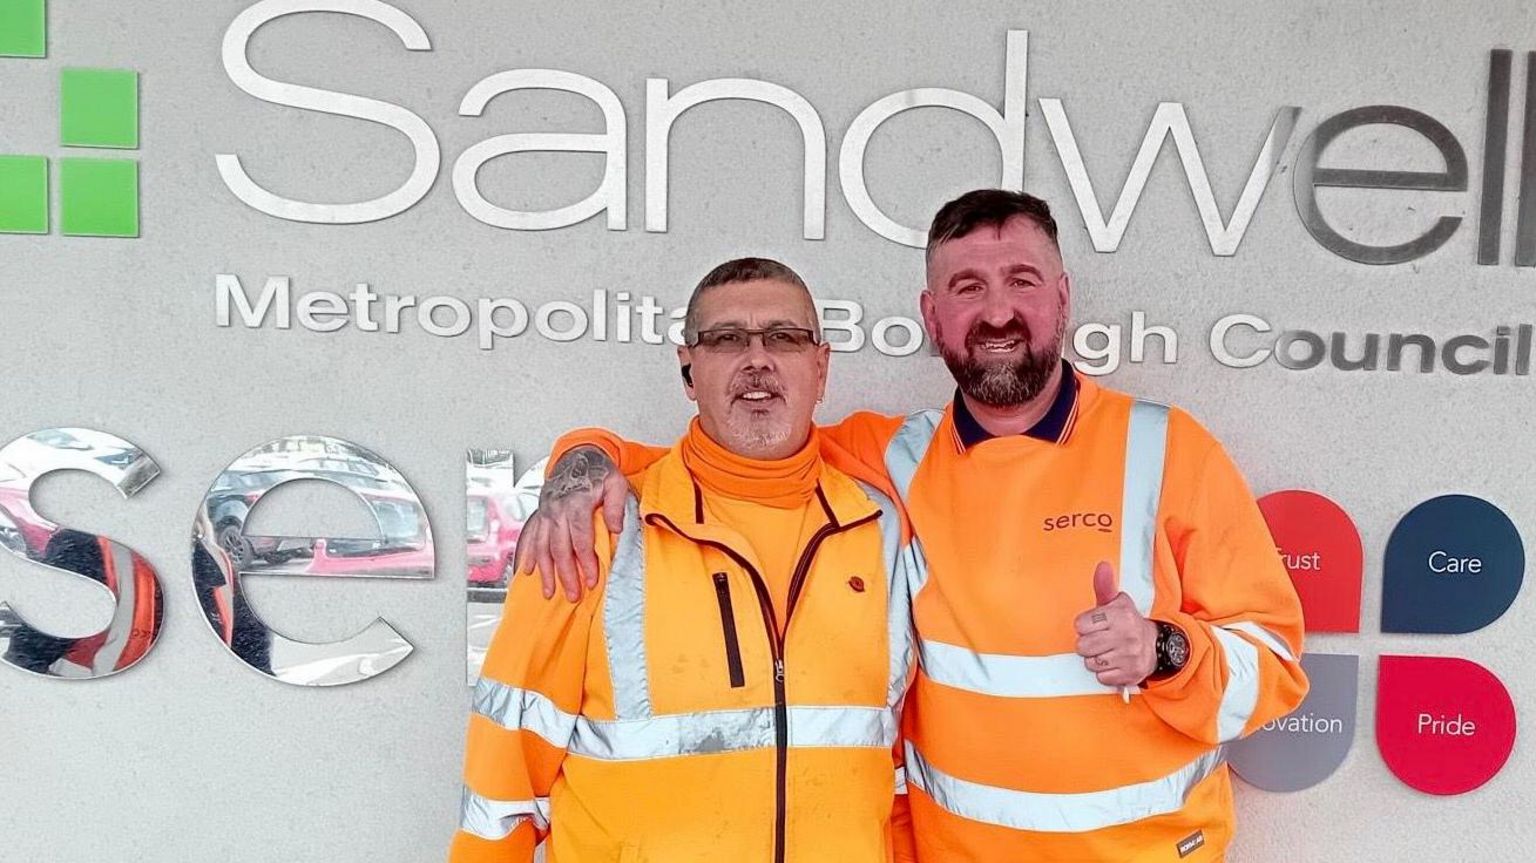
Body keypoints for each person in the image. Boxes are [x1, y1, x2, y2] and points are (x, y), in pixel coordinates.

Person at [519, 190, 1309, 862]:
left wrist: (1164, 650)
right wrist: (587, 458)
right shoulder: (889, 457)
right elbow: (733, 446)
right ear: (933, 315)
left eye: (1021, 280)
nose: (996, 309)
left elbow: (1275, 667)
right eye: (967, 286)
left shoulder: (1168, 447)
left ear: (1063, 297)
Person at [449, 258, 919, 863]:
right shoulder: (597, 527)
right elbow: (503, 778)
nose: (758, 359)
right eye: (726, 339)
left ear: (820, 368)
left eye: (784, 337)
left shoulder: (880, 527)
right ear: (688, 370)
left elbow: (902, 767)